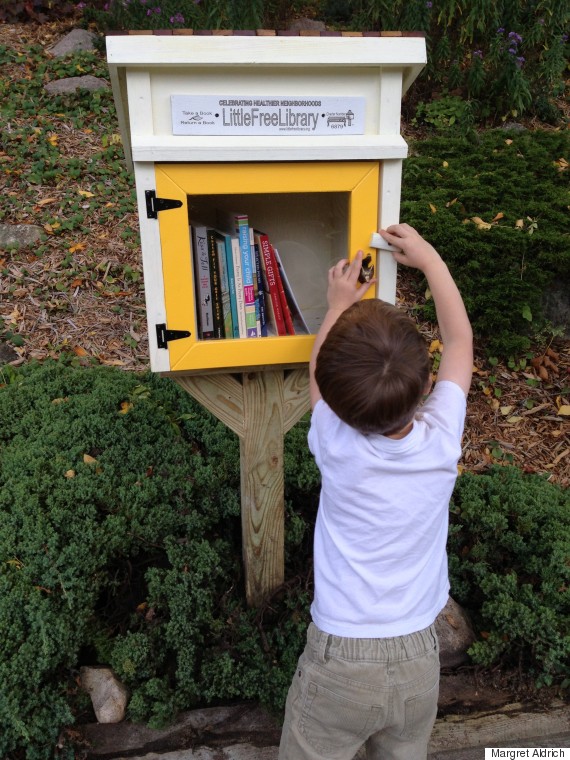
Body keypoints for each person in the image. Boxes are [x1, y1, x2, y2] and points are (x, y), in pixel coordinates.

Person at [278, 223, 473, 760]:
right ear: (427, 387)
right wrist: (431, 262)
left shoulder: (337, 445)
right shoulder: (441, 440)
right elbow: (459, 341)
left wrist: (339, 301)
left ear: (341, 409)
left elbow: (318, 371)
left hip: (340, 660)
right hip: (419, 657)